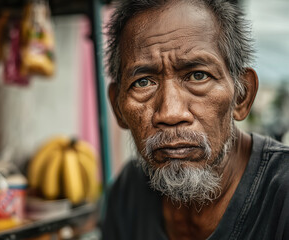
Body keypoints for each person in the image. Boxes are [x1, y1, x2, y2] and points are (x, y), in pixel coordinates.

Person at [102, 0, 289, 239]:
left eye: (198, 76)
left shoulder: (283, 196)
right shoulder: (129, 190)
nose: (170, 113)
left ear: (242, 96)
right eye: (143, 82)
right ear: (118, 107)